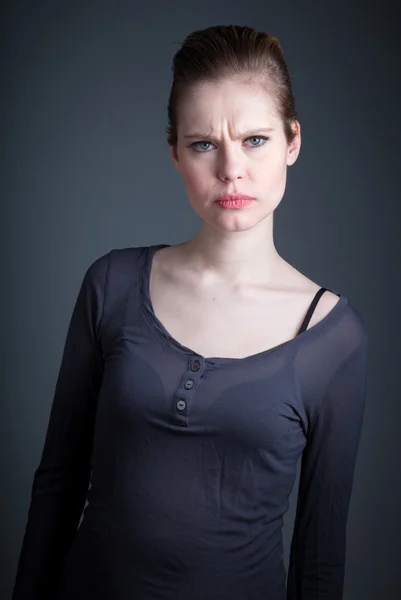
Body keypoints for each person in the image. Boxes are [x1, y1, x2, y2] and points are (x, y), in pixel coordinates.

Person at [12, 24, 368, 600]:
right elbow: (57, 484)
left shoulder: (333, 337)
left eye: (255, 140)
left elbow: (319, 559)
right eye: (204, 143)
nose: (231, 169)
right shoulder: (112, 283)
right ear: (174, 151)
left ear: (292, 141)